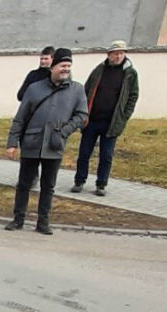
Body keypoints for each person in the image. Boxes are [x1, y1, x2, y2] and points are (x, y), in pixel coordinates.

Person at [4, 48, 88, 235]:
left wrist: (65, 131)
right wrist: (12, 143)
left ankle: (43, 222)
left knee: (48, 186)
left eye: (68, 66)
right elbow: (20, 117)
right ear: (53, 67)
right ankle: (18, 219)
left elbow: (82, 115)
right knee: (24, 184)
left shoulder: (77, 90)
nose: (65, 69)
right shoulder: (35, 88)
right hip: (32, 142)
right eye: (62, 66)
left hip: (55, 144)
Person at [70, 40, 140, 197]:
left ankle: (101, 184)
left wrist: (124, 116)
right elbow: (86, 90)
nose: (119, 56)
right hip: (92, 119)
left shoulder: (130, 74)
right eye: (116, 53)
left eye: (122, 53)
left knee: (106, 155)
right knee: (84, 153)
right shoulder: (99, 70)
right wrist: (82, 112)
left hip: (112, 122)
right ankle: (79, 180)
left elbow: (133, 96)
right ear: (109, 55)